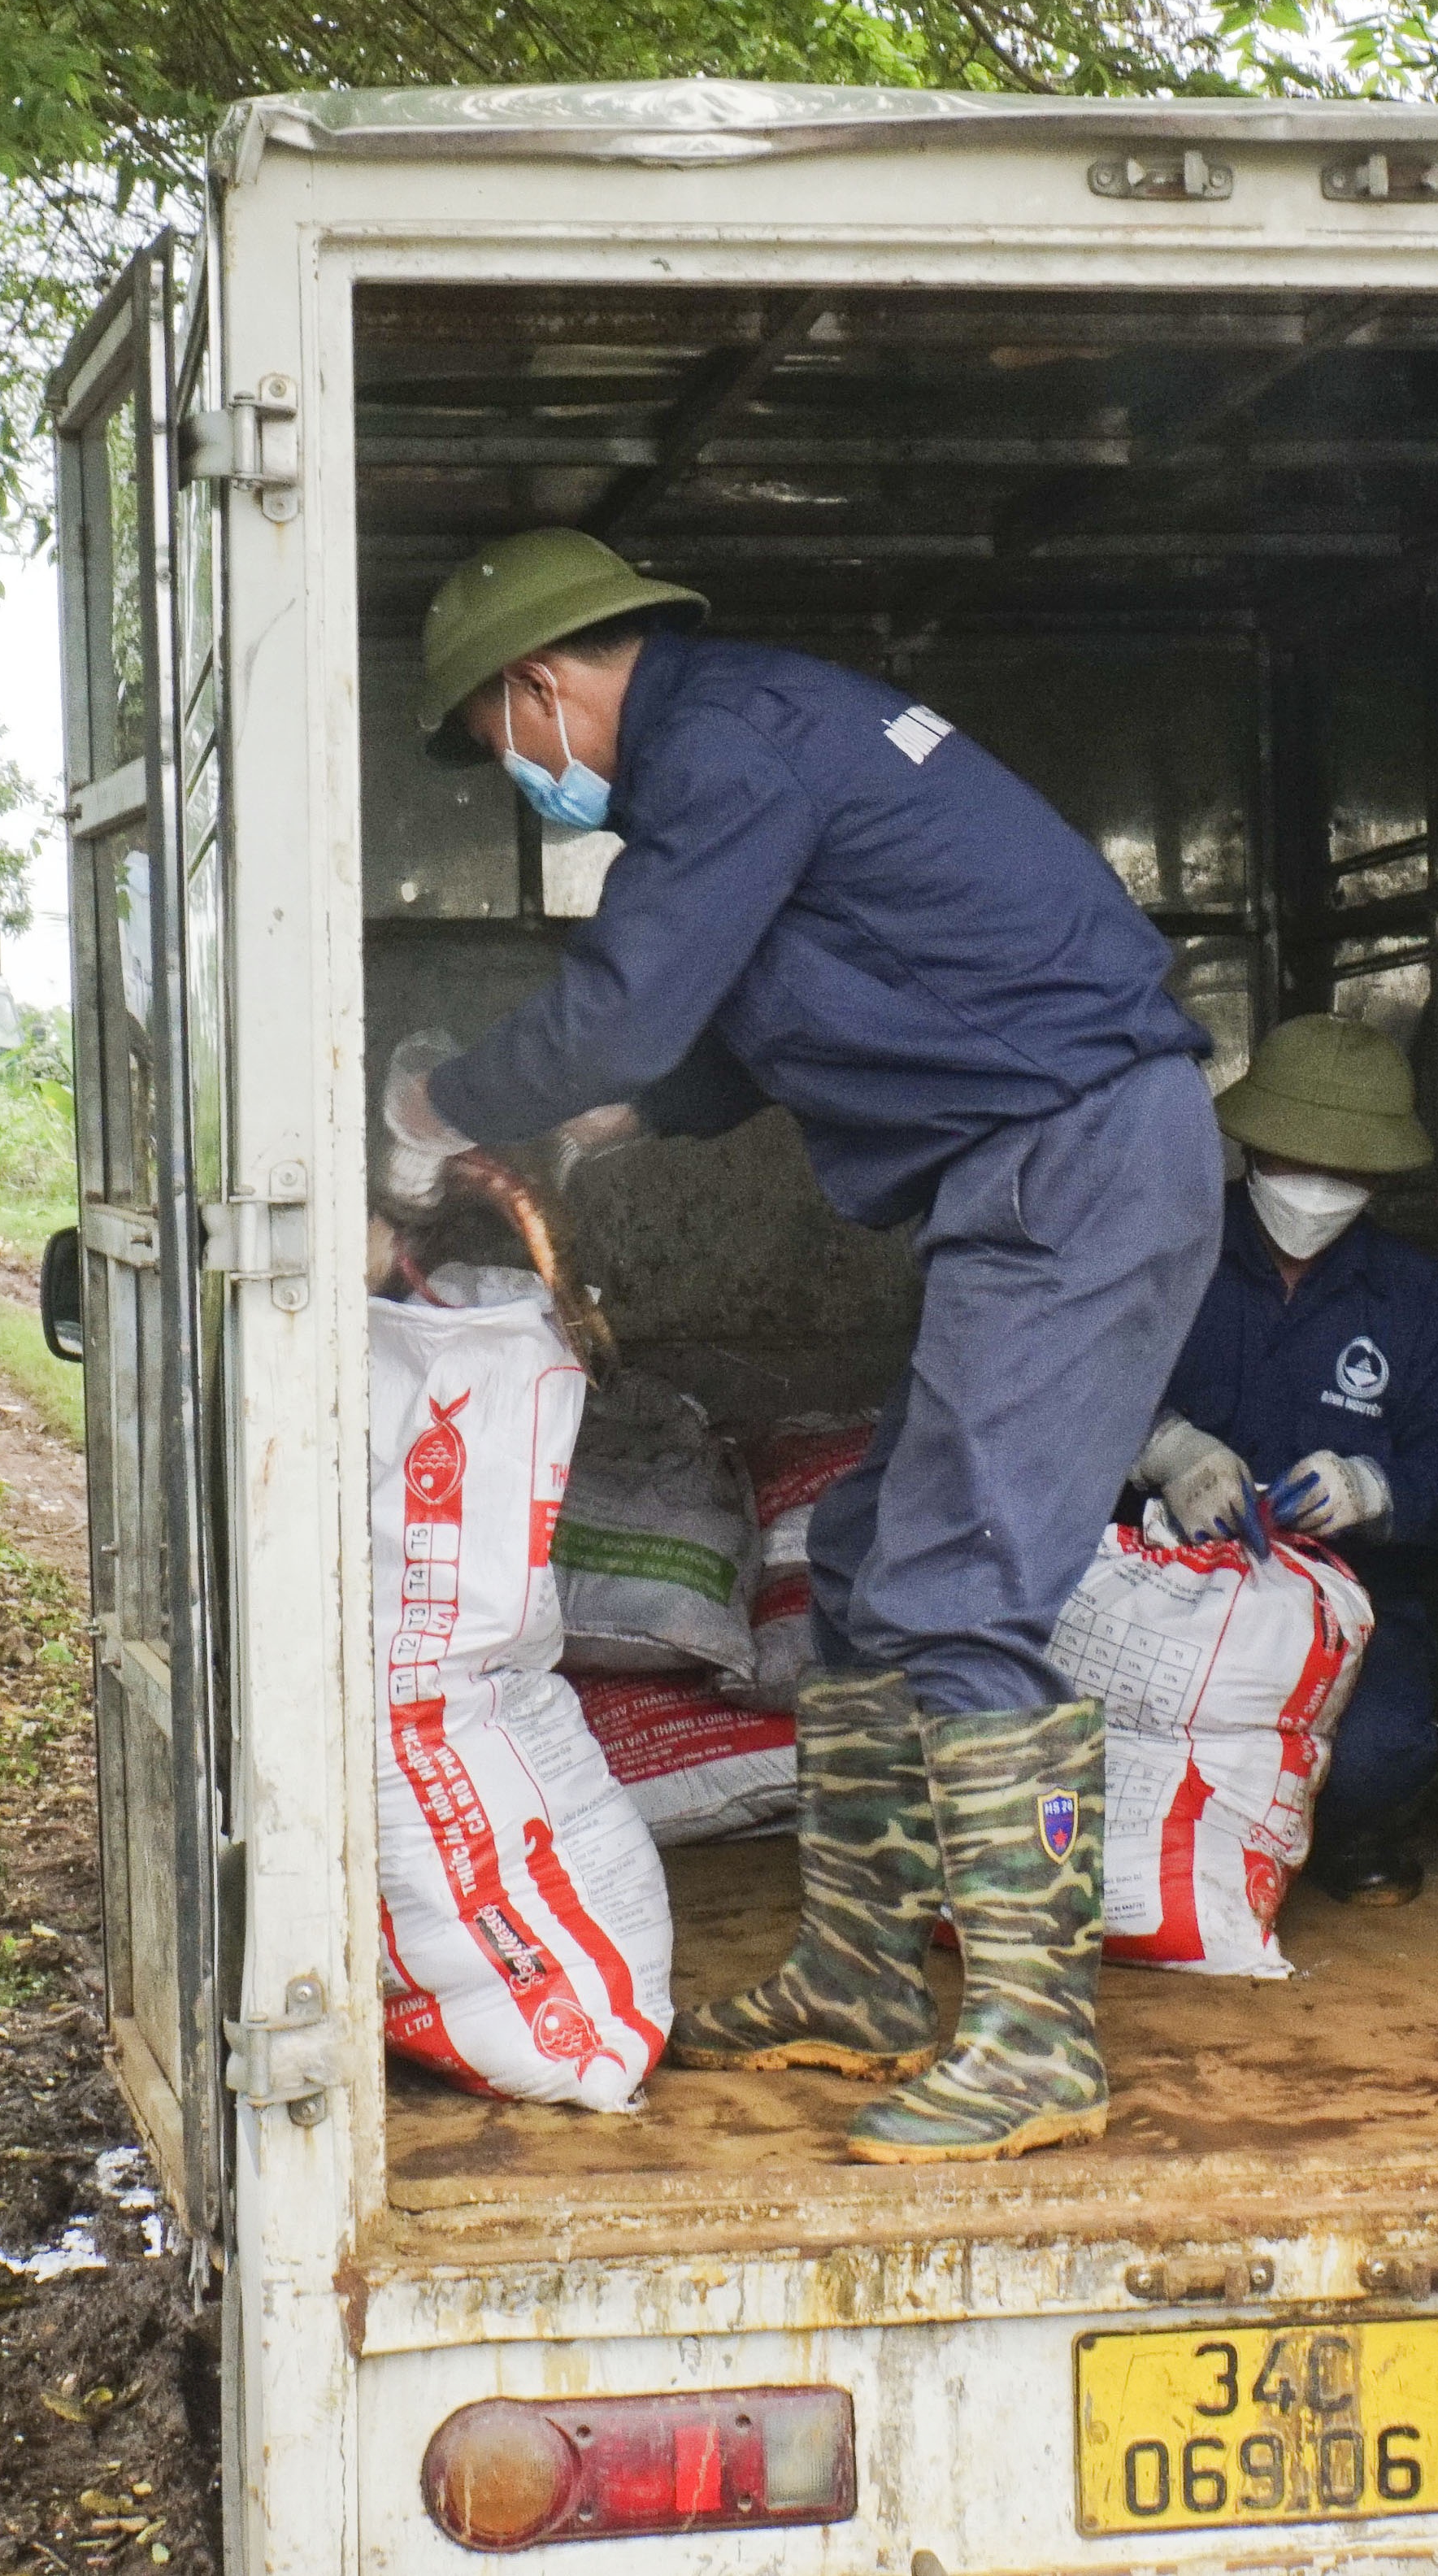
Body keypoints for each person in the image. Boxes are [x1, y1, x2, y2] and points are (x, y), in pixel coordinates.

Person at [384, 529, 1221, 2165]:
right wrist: (600, 1122)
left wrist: (434, 1109)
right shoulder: (757, 743)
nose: (513, 774)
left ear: (538, 686)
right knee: (857, 1550)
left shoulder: (723, 748)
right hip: (1038, 1165)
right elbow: (755, 1019)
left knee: (958, 1590)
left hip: (1081, 1162)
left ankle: (1040, 2045)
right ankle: (855, 1970)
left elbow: (625, 1006)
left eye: (496, 742)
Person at [1132, 1016, 1438, 1905]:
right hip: (1174, 1584)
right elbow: (1064, 1383)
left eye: (1345, 1169)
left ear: (1378, 1174)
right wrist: (1165, 1448)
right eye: (1296, 1160)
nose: (1317, 1188)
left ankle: (1364, 1821)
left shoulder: (1422, 1305)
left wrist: (1373, 1489)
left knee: (1370, 1756)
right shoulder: (1164, 1249)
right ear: (1253, 1146)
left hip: (1350, 1604)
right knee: (1111, 1732)